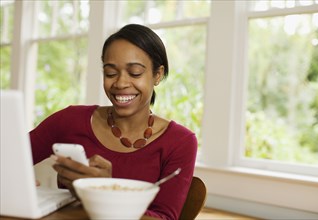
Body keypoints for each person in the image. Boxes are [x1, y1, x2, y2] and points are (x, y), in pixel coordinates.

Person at [30, 24, 198, 220]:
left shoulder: (180, 142)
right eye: (110, 73)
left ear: (157, 75)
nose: (120, 83)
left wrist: (104, 192)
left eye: (135, 72)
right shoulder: (70, 120)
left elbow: (164, 218)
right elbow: (9, 156)